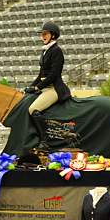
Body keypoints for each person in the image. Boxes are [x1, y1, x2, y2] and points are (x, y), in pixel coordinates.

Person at [24, 22, 71, 150]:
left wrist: (37, 87)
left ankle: (45, 141)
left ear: (53, 35)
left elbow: (53, 75)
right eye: (41, 34)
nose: (42, 36)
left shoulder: (57, 51)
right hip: (45, 86)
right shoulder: (45, 51)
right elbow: (41, 74)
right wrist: (31, 86)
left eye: (45, 34)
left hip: (54, 88)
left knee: (33, 109)